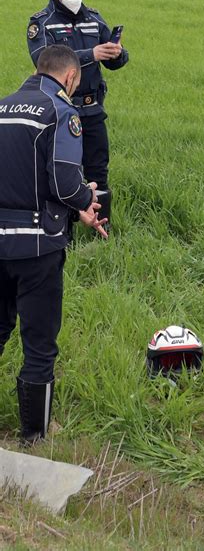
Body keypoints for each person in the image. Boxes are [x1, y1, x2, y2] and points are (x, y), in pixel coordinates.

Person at [0, 45, 107, 444]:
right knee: (39, 342)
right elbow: (63, 182)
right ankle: (35, 432)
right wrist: (84, 201)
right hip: (37, 247)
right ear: (70, 78)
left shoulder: (3, 106)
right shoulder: (62, 113)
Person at [26, 0, 129, 226]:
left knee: (98, 170)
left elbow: (114, 61)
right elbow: (43, 60)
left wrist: (117, 53)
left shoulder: (93, 19)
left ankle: (101, 227)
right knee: (60, 172)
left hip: (92, 108)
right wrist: (90, 55)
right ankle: (62, 230)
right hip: (59, 111)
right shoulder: (42, 24)